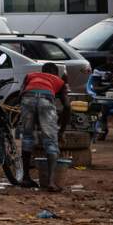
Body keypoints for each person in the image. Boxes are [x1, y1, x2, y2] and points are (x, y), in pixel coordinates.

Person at [19, 62, 70, 191]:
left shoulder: (30, 75)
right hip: (46, 101)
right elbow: (68, 106)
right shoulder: (59, 81)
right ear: (56, 73)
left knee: (27, 138)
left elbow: (21, 93)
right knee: (51, 141)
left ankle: (25, 177)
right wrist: (61, 131)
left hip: (27, 99)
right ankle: (51, 182)